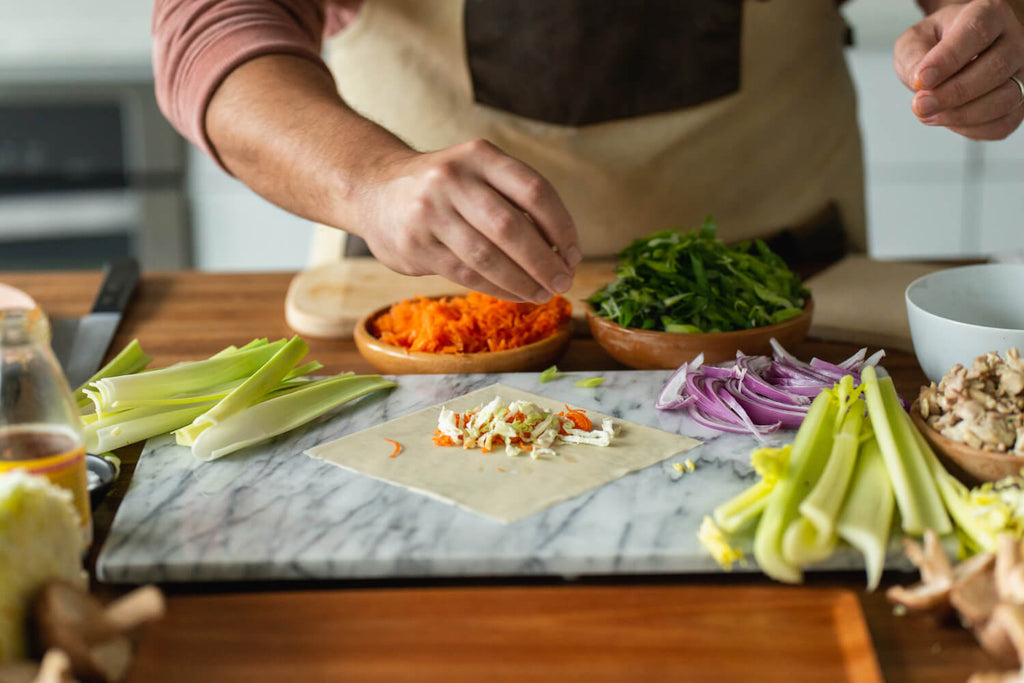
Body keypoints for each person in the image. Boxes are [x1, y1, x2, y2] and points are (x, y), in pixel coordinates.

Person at [153, 0, 1024, 303]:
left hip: (791, 295)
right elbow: (211, 34)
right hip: (427, 300)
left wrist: (986, 36)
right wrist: (370, 179)